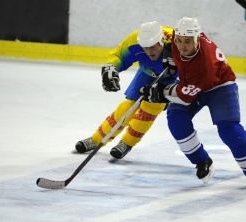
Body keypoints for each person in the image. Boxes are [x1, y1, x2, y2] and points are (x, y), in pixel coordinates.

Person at [140, 17, 246, 189]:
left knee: (229, 130)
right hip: (191, 82)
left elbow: (184, 96)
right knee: (176, 120)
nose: (182, 46)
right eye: (179, 41)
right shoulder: (178, 35)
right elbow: (168, 42)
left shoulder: (204, 65)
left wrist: (159, 93)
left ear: (197, 39)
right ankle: (202, 161)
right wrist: (170, 55)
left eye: (187, 42)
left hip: (219, 85)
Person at [75, 21, 176, 159]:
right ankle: (96, 140)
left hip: (172, 78)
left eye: (152, 47)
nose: (149, 51)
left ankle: (127, 143)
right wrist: (111, 69)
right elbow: (118, 56)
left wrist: (172, 90)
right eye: (145, 47)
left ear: (162, 40)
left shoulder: (180, 44)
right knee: (127, 108)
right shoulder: (135, 41)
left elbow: (193, 74)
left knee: (151, 108)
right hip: (147, 72)